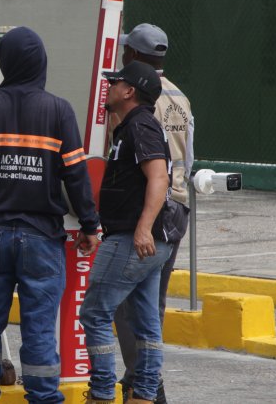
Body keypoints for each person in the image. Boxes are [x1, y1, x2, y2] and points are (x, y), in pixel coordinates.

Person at [0, 26, 100, 404]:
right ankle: (43, 398)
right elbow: (76, 175)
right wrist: (90, 224)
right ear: (40, 62)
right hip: (41, 237)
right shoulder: (58, 110)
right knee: (38, 328)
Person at [80, 60, 175, 404]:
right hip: (144, 240)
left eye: (116, 82)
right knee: (146, 322)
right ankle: (145, 394)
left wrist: (143, 230)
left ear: (130, 91)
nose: (111, 86)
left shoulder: (141, 127)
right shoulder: (134, 126)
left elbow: (159, 178)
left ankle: (103, 392)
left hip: (134, 239)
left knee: (94, 313)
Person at [112, 24, 194, 404]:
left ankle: (143, 383)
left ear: (133, 56)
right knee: (153, 303)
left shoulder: (138, 100)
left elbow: (126, 158)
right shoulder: (181, 97)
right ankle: (146, 382)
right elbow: (188, 160)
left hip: (149, 208)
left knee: (126, 303)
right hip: (179, 205)